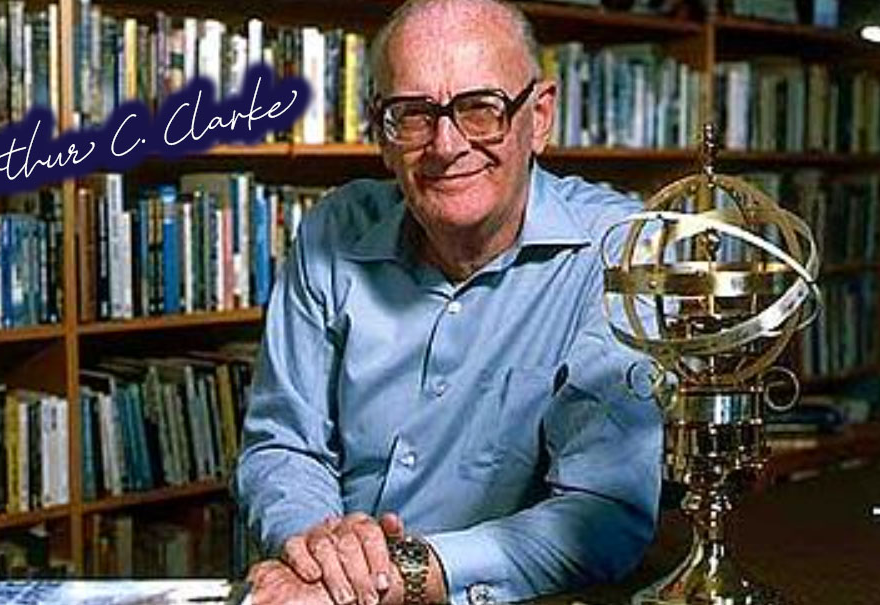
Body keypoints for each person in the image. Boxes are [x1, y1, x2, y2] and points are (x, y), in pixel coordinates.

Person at [235, 0, 663, 603]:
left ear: (539, 117)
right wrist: (321, 551)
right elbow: (282, 444)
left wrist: (402, 577)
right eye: (412, 114)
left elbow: (602, 516)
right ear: (380, 132)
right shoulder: (330, 230)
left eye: (480, 109)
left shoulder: (619, 252)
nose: (445, 144)